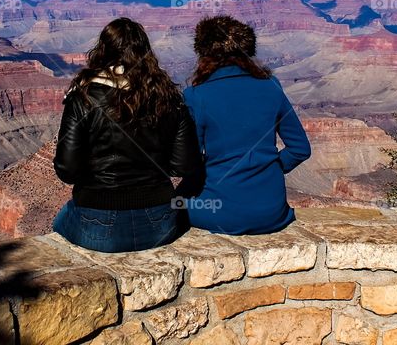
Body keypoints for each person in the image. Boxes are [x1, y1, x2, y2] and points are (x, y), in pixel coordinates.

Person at [52, 17, 202, 252]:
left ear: (103, 50)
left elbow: (67, 170)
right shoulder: (169, 97)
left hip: (97, 226)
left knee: (58, 222)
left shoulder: (82, 97)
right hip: (160, 224)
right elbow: (184, 165)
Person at [180, 15, 311, 234]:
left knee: (171, 206)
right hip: (273, 213)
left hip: (222, 213)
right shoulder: (271, 86)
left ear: (204, 54)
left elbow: (189, 161)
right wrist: (270, 168)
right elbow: (300, 149)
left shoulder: (195, 95)